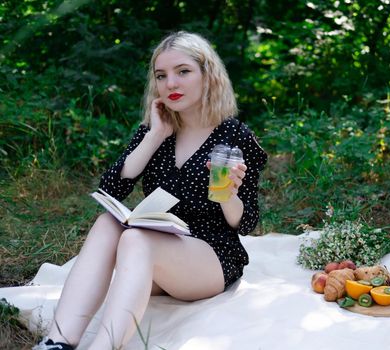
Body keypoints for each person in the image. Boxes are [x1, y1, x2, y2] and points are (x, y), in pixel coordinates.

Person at [33, 31, 267, 350]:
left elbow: (246, 222)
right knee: (108, 223)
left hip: (209, 257)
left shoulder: (234, 136)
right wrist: (156, 135)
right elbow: (111, 189)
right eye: (161, 75)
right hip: (155, 249)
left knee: (136, 238)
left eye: (183, 71)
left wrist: (228, 196)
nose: (171, 83)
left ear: (207, 75)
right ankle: (58, 341)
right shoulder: (155, 129)